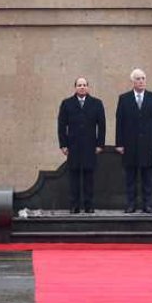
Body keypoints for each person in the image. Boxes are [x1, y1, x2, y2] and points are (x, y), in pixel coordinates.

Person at [115, 68, 152, 213]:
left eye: (143, 78)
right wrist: (119, 143)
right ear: (133, 81)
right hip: (129, 144)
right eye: (138, 78)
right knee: (130, 176)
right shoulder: (124, 98)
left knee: (147, 176)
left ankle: (147, 204)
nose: (141, 81)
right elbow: (120, 122)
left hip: (148, 144)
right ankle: (131, 204)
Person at [57, 77, 106, 214]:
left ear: (88, 87)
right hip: (73, 147)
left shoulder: (96, 103)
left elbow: (101, 126)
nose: (82, 87)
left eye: (84, 85)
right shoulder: (67, 104)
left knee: (89, 177)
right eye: (79, 85)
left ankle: (88, 205)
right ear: (75, 87)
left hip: (90, 146)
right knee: (74, 177)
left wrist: (100, 144)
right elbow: (61, 126)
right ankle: (74, 205)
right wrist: (63, 145)